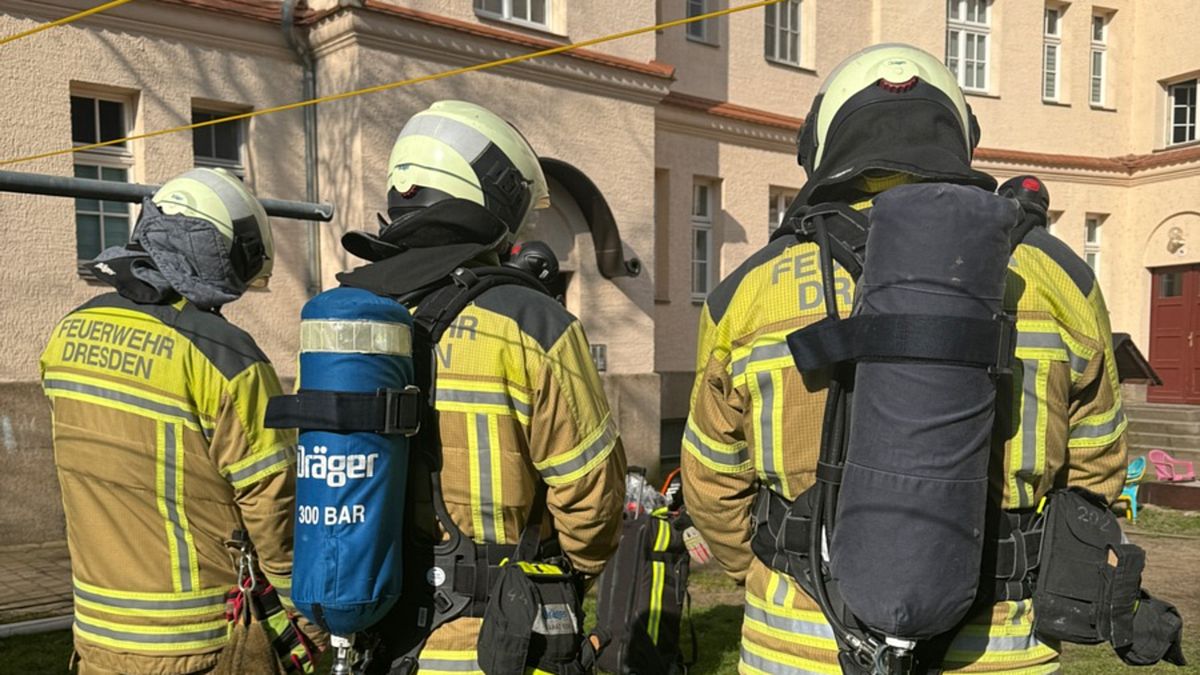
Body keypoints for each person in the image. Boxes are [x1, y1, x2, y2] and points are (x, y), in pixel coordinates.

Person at [681, 44, 1126, 674]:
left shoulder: (749, 292)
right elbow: (1098, 467)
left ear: (825, 141)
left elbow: (711, 481)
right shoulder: (1059, 277)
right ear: (957, 137)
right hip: (997, 649)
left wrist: (780, 566)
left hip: (799, 639)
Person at [332, 100, 627, 674]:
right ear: (495, 199)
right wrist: (567, 575)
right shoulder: (533, 323)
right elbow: (593, 500)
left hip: (382, 638)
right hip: (497, 641)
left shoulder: (354, 321)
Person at [39, 168, 320, 674]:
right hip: (197, 641)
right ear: (215, 248)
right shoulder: (224, 353)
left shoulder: (69, 333)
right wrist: (309, 615)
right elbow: (272, 502)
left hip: (96, 634)